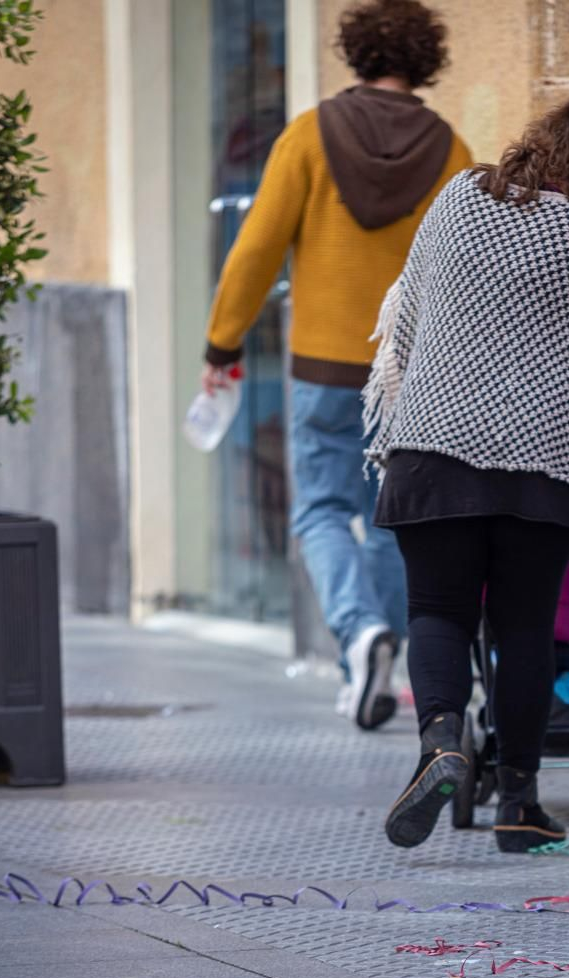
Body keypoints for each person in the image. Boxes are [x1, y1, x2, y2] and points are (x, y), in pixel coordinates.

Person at [364, 91, 569, 853]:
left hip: (433, 447)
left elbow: (412, 312)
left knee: (436, 611)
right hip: (543, 464)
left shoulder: (462, 196)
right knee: (523, 629)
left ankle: (441, 745)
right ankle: (519, 804)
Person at [200, 0, 471, 729]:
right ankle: (388, 651)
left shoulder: (308, 137)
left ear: (356, 52)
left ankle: (359, 636)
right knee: (391, 520)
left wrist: (222, 345)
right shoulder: (450, 152)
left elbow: (255, 249)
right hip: (408, 374)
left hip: (320, 369)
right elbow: (466, 269)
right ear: (425, 59)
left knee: (319, 508)